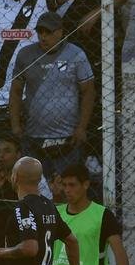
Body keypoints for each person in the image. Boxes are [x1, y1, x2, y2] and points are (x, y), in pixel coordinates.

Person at [8, 12, 97, 180]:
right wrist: (15, 125)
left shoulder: (76, 54)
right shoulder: (25, 55)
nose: (43, 37)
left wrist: (82, 127)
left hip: (68, 136)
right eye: (40, 32)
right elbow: (16, 91)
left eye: (48, 32)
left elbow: (89, 91)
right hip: (33, 135)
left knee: (66, 184)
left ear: (60, 32)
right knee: (35, 184)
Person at [50, 163, 135, 265]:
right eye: (64, 185)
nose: (67, 190)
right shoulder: (55, 213)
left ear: (85, 184)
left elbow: (117, 248)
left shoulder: (103, 215)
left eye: (72, 185)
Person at [0, 134, 53, 245]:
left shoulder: (35, 178)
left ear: (18, 155)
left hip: (28, 237)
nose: (1, 156)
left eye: (7, 151)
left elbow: (48, 208)